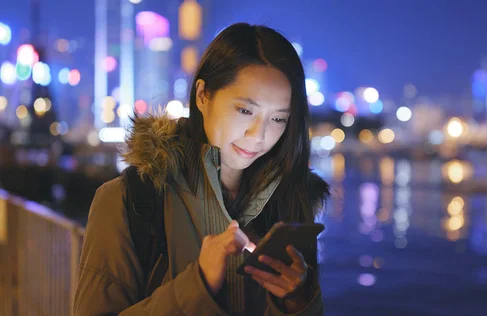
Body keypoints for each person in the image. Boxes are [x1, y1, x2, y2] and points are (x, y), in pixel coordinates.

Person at [73, 23, 329, 315]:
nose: (259, 135)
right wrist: (198, 286)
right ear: (203, 95)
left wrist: (299, 302)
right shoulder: (128, 200)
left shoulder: (292, 202)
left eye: (279, 119)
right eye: (245, 111)